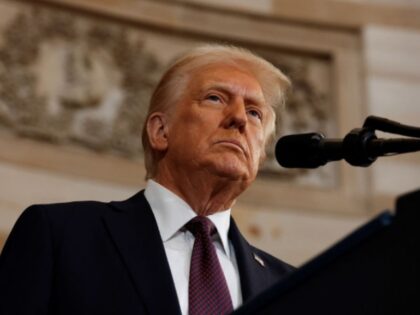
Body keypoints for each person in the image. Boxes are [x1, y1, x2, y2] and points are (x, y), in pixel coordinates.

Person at [0, 44, 294, 315]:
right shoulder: (62, 237)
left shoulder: (289, 286)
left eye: (255, 113)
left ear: (260, 156)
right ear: (160, 131)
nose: (239, 118)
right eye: (215, 98)